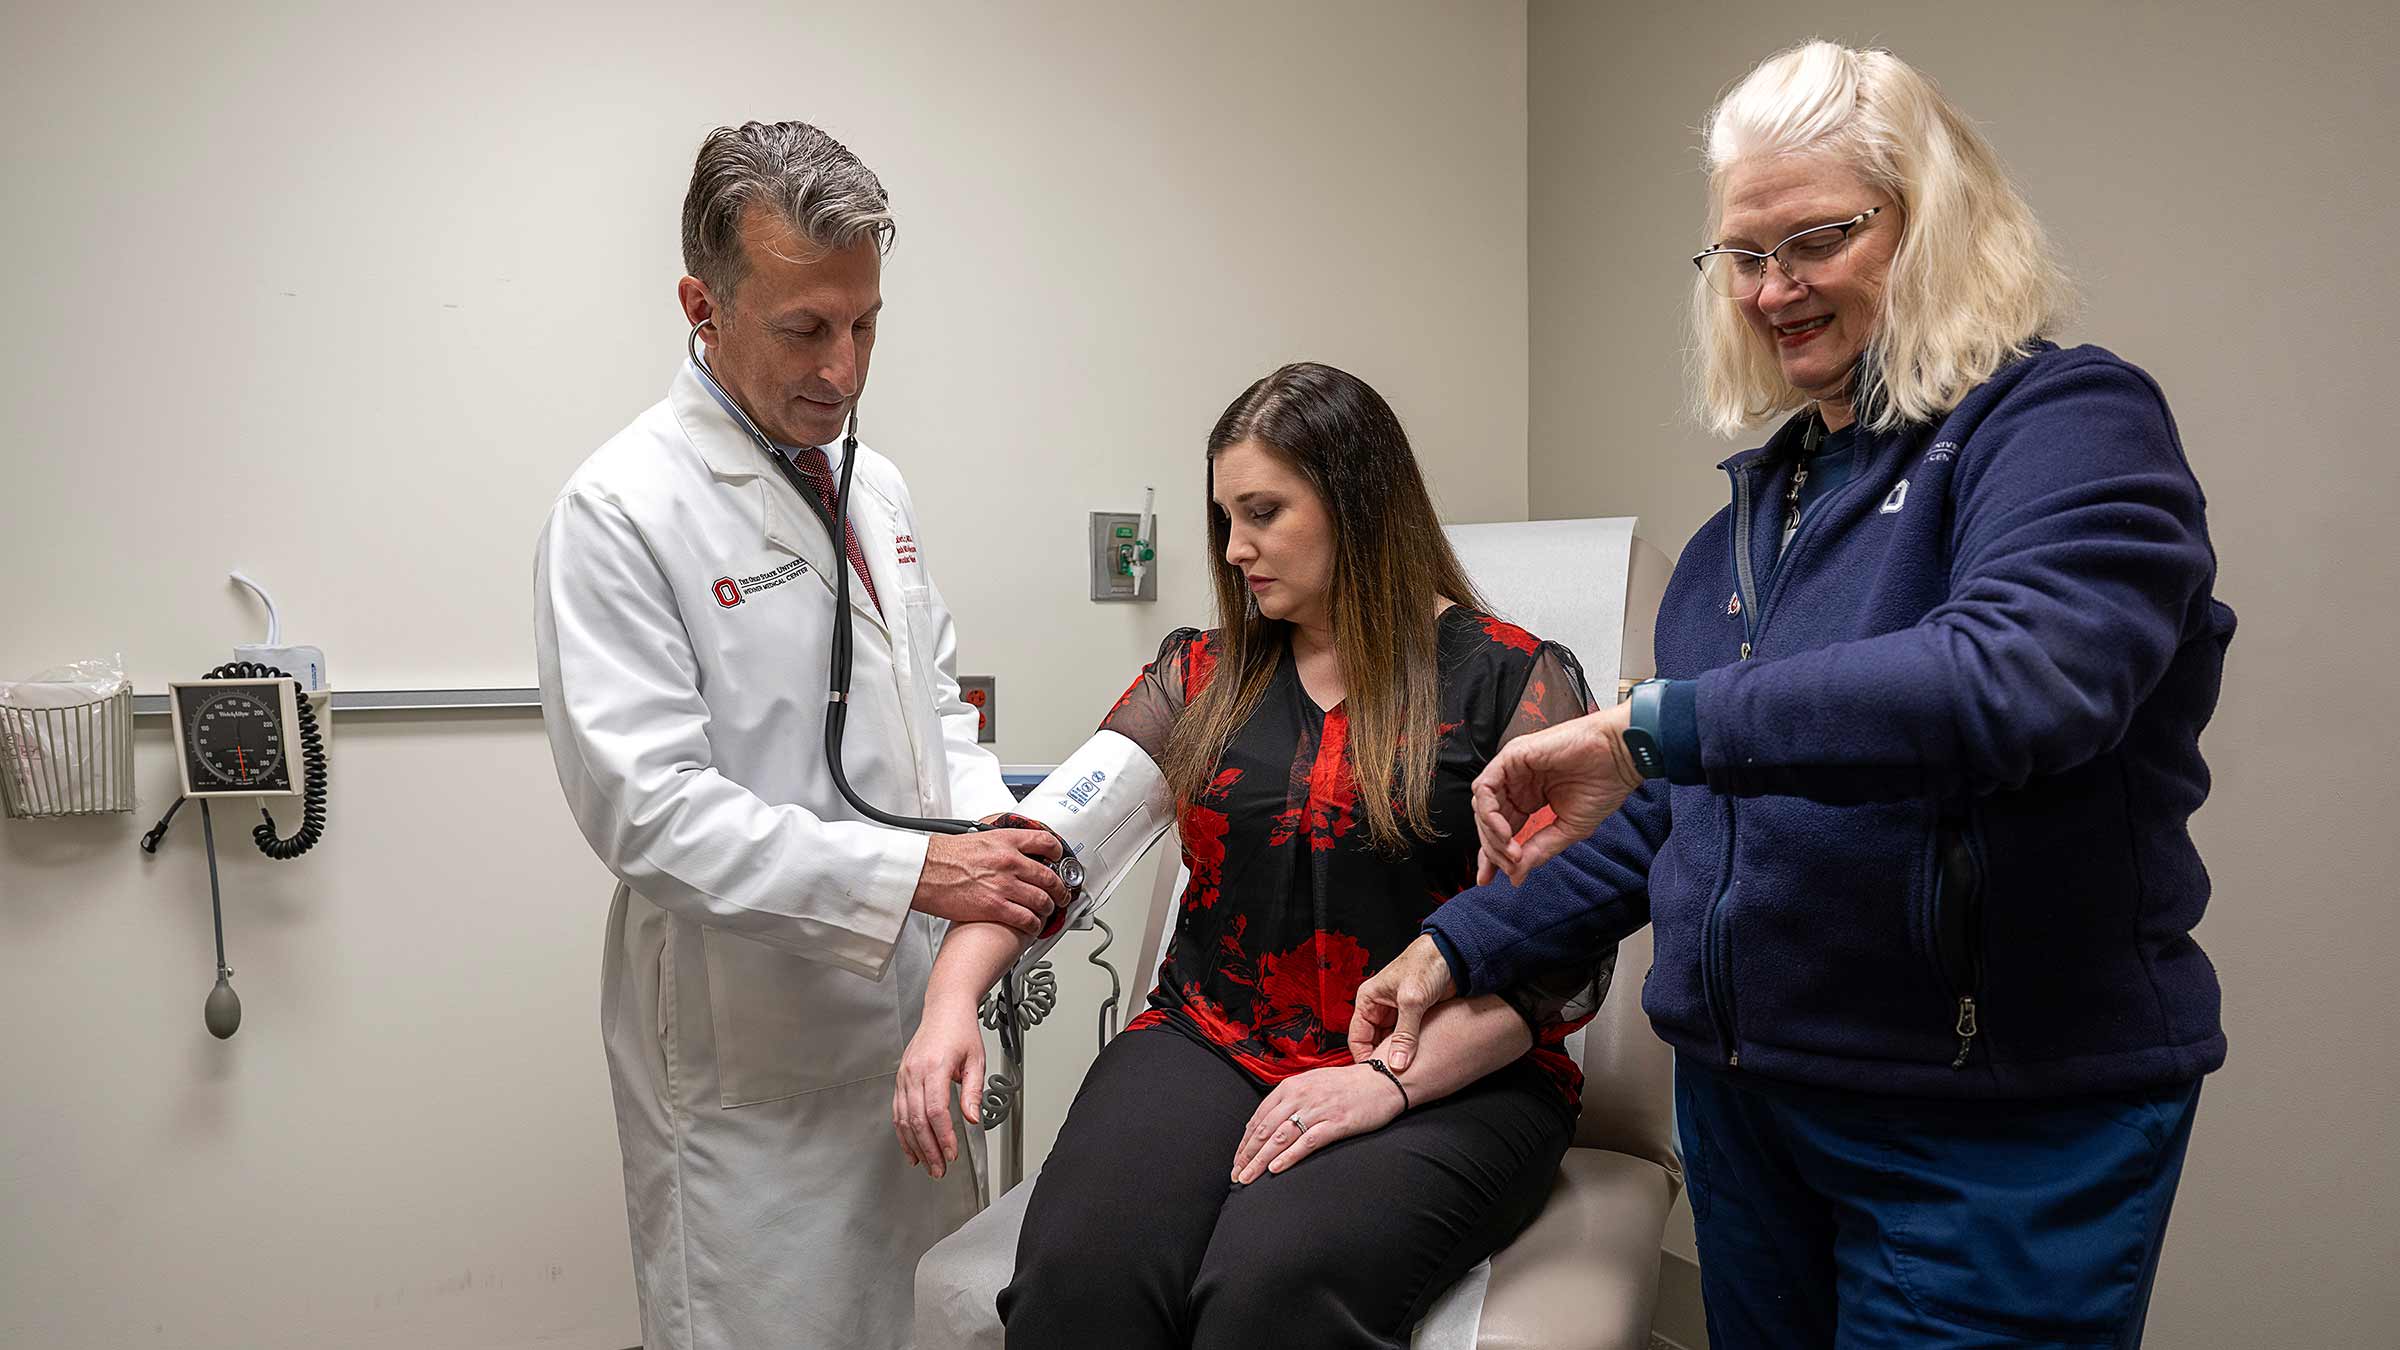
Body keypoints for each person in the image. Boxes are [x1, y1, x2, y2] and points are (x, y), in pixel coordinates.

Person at [1353, 41, 2234, 1349]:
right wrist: (1464, 943)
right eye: (1744, 257)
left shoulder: (2062, 425)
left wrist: (1664, 724)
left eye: (1815, 238)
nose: (1773, 289)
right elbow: (1686, 818)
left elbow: (2014, 680)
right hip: (1751, 1111)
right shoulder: (1740, 534)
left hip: (1984, 1125)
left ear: (1933, 222)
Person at [891, 362, 1611, 1349]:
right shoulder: (1201, 675)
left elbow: (1556, 959)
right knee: (1077, 1280)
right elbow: (1047, 849)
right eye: (1225, 517)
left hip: (1455, 1071)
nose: (1235, 550)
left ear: (1358, 502)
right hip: (1214, 1037)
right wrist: (947, 1006)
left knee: (1270, 1293)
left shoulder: (1509, 682)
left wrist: (1385, 1084)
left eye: (1264, 512)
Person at [533, 121, 1068, 1350]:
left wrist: (999, 841)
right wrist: (919, 873)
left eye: (866, 323)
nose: (845, 368)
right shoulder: (622, 510)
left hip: (916, 1034)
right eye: (804, 330)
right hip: (751, 1071)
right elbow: (649, 814)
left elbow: (935, 706)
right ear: (702, 305)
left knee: (929, 1321)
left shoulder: (873, 490)